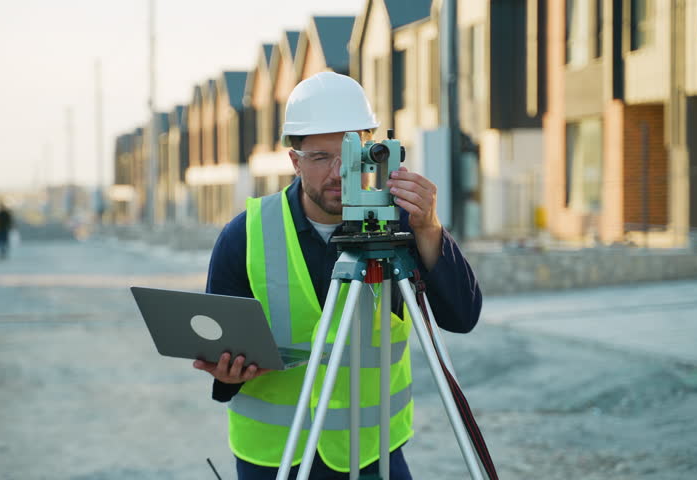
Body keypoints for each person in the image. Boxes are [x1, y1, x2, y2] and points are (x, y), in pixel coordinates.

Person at [195, 72, 482, 479]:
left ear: (373, 151)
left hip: (372, 455)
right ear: (294, 161)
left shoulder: (402, 226)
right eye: (320, 157)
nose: (337, 173)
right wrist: (226, 375)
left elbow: (462, 316)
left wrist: (430, 228)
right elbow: (224, 350)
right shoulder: (245, 235)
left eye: (349, 153)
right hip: (276, 459)